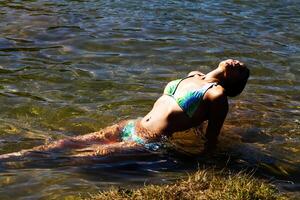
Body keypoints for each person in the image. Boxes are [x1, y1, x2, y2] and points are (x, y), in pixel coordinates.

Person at [0, 59, 249, 159]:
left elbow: (212, 138)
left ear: (234, 81)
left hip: (147, 142)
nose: (238, 63)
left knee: (80, 160)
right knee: (64, 144)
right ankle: (10, 160)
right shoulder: (194, 74)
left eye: (241, 70)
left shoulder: (217, 95)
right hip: (132, 125)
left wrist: (205, 160)